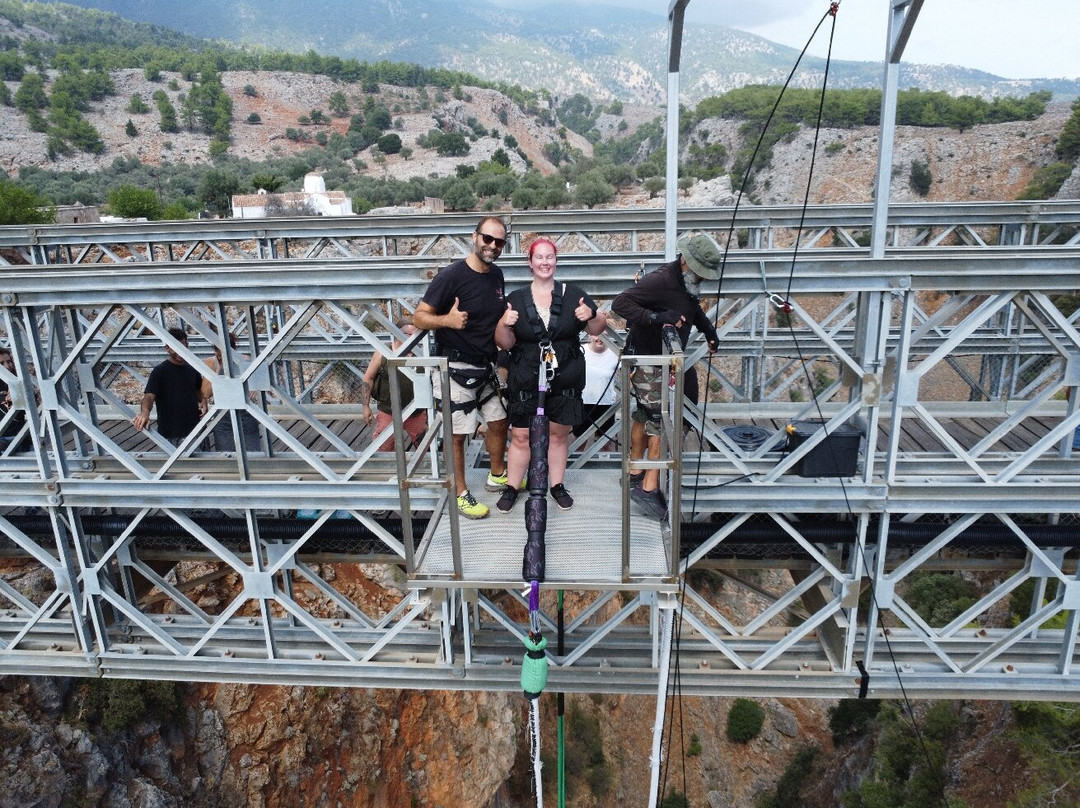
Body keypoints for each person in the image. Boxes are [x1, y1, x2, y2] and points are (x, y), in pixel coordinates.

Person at [611, 232, 722, 521]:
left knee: (645, 415)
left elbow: (691, 308)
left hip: (660, 361)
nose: (703, 278)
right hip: (649, 361)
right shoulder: (660, 281)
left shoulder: (685, 282)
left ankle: (635, 471)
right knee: (663, 421)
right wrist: (657, 318)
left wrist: (708, 330)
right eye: (700, 271)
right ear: (686, 261)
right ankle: (648, 488)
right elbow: (620, 304)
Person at [494, 237, 607, 513]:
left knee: (558, 434)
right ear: (530, 263)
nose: (545, 262)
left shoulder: (574, 294)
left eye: (550, 257)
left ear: (556, 261)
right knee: (521, 435)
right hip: (526, 376)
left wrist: (591, 314)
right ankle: (512, 486)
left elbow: (597, 328)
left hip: (564, 375)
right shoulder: (515, 299)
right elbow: (505, 343)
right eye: (539, 257)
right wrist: (504, 324)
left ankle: (556, 485)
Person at [413, 216, 511, 520]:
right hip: (455, 366)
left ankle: (497, 475)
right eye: (487, 239)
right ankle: (460, 493)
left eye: (499, 242)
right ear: (474, 236)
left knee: (498, 421)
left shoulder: (496, 275)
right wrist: (447, 320)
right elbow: (419, 317)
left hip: (485, 364)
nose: (492, 246)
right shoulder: (451, 276)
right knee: (457, 434)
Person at [360, 319, 428, 451]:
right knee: (384, 449)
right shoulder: (382, 353)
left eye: (416, 335)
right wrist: (365, 406)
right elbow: (368, 379)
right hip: (388, 412)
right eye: (409, 335)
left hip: (417, 413)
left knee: (427, 448)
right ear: (398, 334)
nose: (414, 339)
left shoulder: (422, 355)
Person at [133, 327, 206, 445]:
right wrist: (145, 413)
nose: (179, 352)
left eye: (182, 347)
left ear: (187, 345)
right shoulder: (160, 371)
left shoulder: (192, 368)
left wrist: (203, 400)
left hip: (196, 431)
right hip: (171, 434)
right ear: (167, 348)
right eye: (175, 348)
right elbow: (149, 397)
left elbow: (197, 389)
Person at [202, 330, 261, 452]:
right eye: (219, 354)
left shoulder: (244, 360)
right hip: (223, 415)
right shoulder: (211, 362)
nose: (221, 357)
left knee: (253, 453)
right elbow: (206, 393)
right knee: (226, 453)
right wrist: (218, 371)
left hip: (245, 412)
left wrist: (253, 387)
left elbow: (256, 386)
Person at [572, 332, 619, 450]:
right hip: (583, 402)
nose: (600, 339)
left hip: (606, 403)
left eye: (604, 335)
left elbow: (630, 371)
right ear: (589, 336)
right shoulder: (579, 351)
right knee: (579, 441)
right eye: (596, 335)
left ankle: (604, 461)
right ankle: (577, 463)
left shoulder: (615, 353)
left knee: (605, 443)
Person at [0, 346, 30, 453]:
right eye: (1, 364)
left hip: (20, 435)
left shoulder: (17, 380)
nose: (7, 366)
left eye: (9, 362)